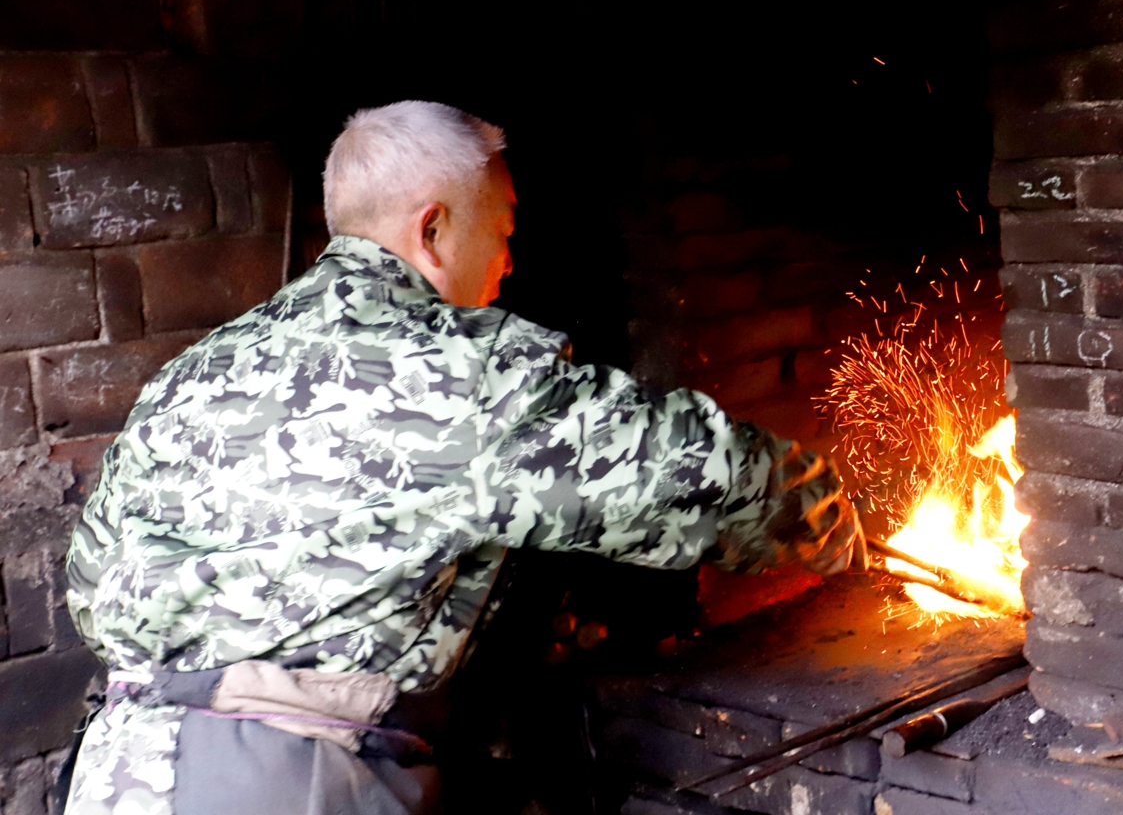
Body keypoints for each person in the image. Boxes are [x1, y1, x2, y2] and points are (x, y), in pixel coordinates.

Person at [62, 100, 866, 815]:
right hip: (288, 780)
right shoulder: (451, 368)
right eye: (504, 234)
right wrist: (825, 516)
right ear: (432, 230)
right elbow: (688, 473)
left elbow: (93, 586)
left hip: (123, 772)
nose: (509, 264)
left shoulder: (197, 370)